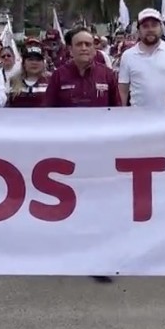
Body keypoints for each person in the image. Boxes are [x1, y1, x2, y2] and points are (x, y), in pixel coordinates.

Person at [44, 26, 120, 284]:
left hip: (100, 154)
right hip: (67, 154)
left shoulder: (108, 75)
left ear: (95, 47)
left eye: (89, 44)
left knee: (99, 206)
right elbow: (46, 115)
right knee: (69, 205)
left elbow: (118, 114)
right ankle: (68, 254)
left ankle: (98, 259)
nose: (85, 48)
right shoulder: (58, 76)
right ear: (70, 48)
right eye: (80, 44)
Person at [118, 8, 165, 107]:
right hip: (139, 118)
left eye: (154, 25)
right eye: (145, 26)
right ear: (139, 30)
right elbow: (123, 90)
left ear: (161, 28)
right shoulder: (128, 56)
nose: (150, 30)